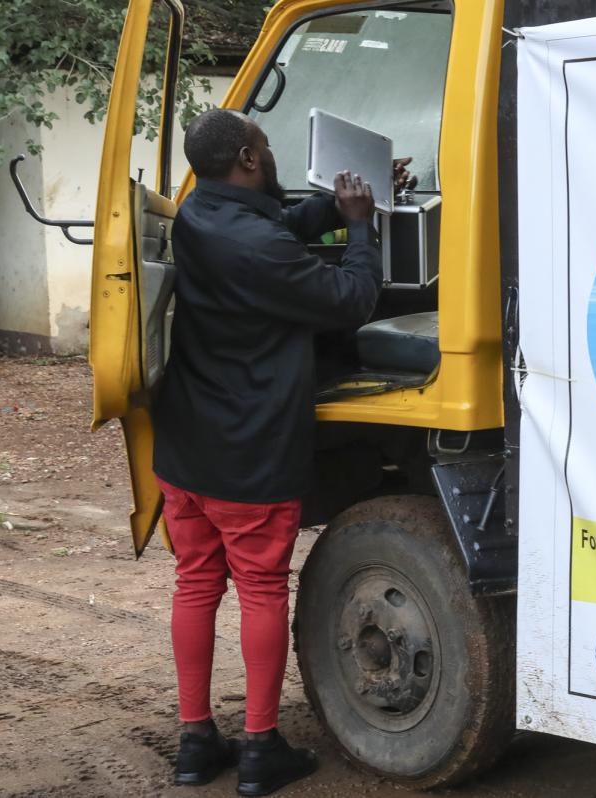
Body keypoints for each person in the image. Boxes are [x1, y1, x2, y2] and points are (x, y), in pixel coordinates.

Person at [152, 108, 406, 795]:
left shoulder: (196, 213)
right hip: (249, 453)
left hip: (184, 446)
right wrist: (360, 227)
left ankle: (195, 742)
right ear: (247, 157)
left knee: (196, 584)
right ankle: (261, 747)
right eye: (263, 146)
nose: (270, 154)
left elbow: (274, 226)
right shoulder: (259, 247)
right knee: (261, 589)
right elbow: (352, 298)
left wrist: (338, 202)